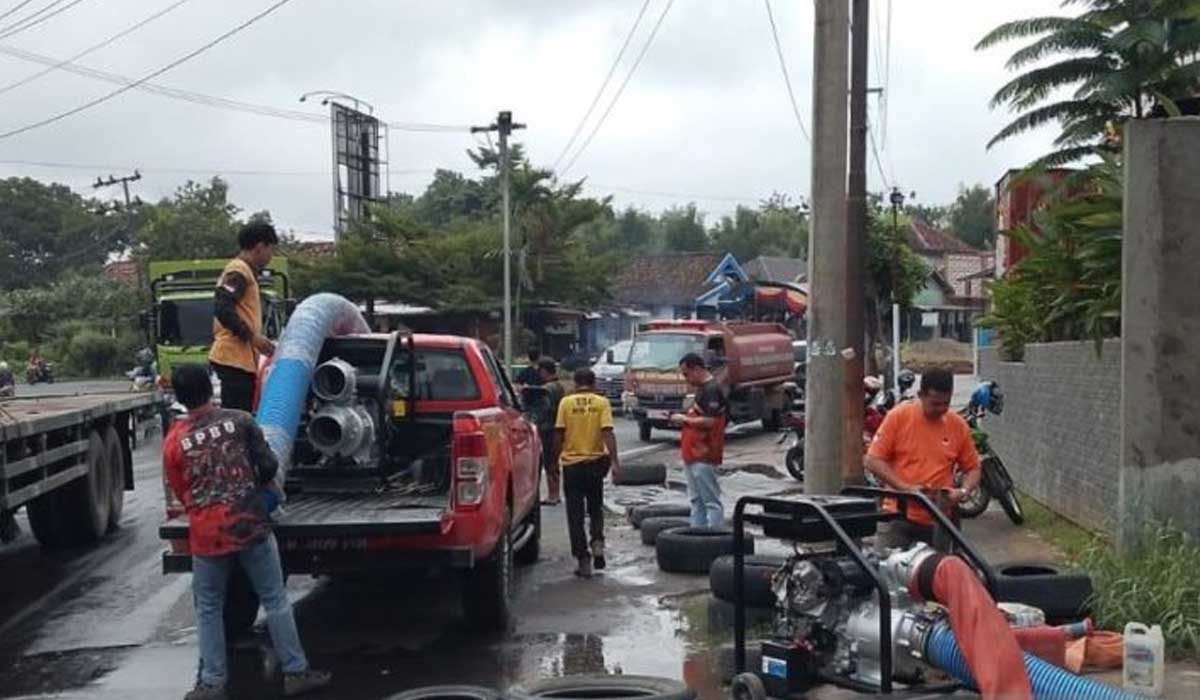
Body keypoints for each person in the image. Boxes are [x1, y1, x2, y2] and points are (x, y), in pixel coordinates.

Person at [163, 365, 329, 699]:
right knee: (275, 599)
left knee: (209, 608)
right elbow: (268, 466)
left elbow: (182, 492)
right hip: (250, 525)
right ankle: (296, 672)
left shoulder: (173, 442)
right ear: (210, 390)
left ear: (180, 398)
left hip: (208, 534)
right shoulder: (240, 421)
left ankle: (212, 683)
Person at [865, 369, 982, 553]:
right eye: (935, 404)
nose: (941, 409)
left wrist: (962, 491)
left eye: (946, 403)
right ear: (921, 395)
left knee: (941, 574)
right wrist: (906, 488)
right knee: (884, 571)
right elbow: (873, 460)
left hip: (939, 518)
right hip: (898, 515)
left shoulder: (958, 425)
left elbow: (973, 468)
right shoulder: (899, 417)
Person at [553, 368, 619, 578]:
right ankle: (597, 541)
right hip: (595, 464)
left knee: (575, 515)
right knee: (595, 508)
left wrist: (554, 461)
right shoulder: (601, 403)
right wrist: (615, 462)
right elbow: (607, 432)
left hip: (572, 466)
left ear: (574, 382)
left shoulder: (566, 403)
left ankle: (583, 559)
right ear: (593, 383)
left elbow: (559, 434)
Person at [209, 222, 278, 412]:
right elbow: (223, 308)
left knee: (239, 417)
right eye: (271, 249)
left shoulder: (244, 271)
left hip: (239, 360)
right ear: (259, 247)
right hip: (233, 358)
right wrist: (253, 338)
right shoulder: (238, 272)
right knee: (238, 419)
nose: (271, 256)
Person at [670, 353, 728, 529]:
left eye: (687, 374)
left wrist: (684, 419)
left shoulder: (711, 390)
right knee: (696, 500)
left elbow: (711, 421)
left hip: (704, 453)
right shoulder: (703, 389)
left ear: (697, 369)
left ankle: (715, 536)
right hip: (693, 453)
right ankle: (696, 534)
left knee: (710, 500)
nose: (686, 379)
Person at [535, 358, 565, 505]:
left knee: (549, 462)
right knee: (554, 462)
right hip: (558, 428)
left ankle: (553, 494)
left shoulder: (547, 389)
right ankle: (555, 493)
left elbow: (545, 409)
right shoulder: (559, 387)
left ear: (544, 371)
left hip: (548, 429)